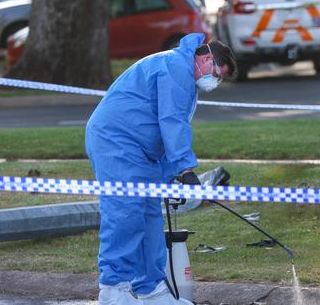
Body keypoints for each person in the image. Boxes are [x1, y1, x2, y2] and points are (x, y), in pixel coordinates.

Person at [85, 33, 237, 305]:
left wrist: (168, 178)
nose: (216, 80)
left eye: (221, 78)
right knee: (125, 213)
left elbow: (165, 132)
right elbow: (172, 123)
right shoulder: (176, 67)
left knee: (149, 219)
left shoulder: (183, 75)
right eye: (216, 72)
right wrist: (187, 171)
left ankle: (151, 290)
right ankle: (113, 290)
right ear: (205, 58)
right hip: (116, 142)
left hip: (138, 150)